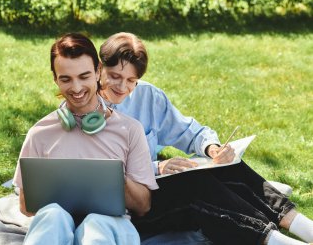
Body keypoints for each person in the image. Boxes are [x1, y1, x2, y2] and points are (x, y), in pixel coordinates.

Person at [97, 32, 313, 245]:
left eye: (131, 80)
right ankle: (277, 241)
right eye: (115, 76)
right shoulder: (86, 109)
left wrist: (212, 148)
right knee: (194, 183)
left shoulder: (147, 96)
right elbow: (104, 173)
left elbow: (189, 131)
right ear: (99, 68)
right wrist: (157, 168)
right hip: (132, 206)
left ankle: (303, 227)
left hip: (156, 188)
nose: (123, 87)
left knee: (227, 165)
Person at [12, 33, 158, 245]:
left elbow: (143, 206)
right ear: (55, 79)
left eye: (83, 76)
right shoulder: (40, 133)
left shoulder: (130, 130)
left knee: (96, 225)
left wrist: (114, 179)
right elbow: (25, 207)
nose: (77, 88)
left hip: (109, 225)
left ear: (98, 72)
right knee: (52, 215)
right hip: (56, 226)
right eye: (66, 79)